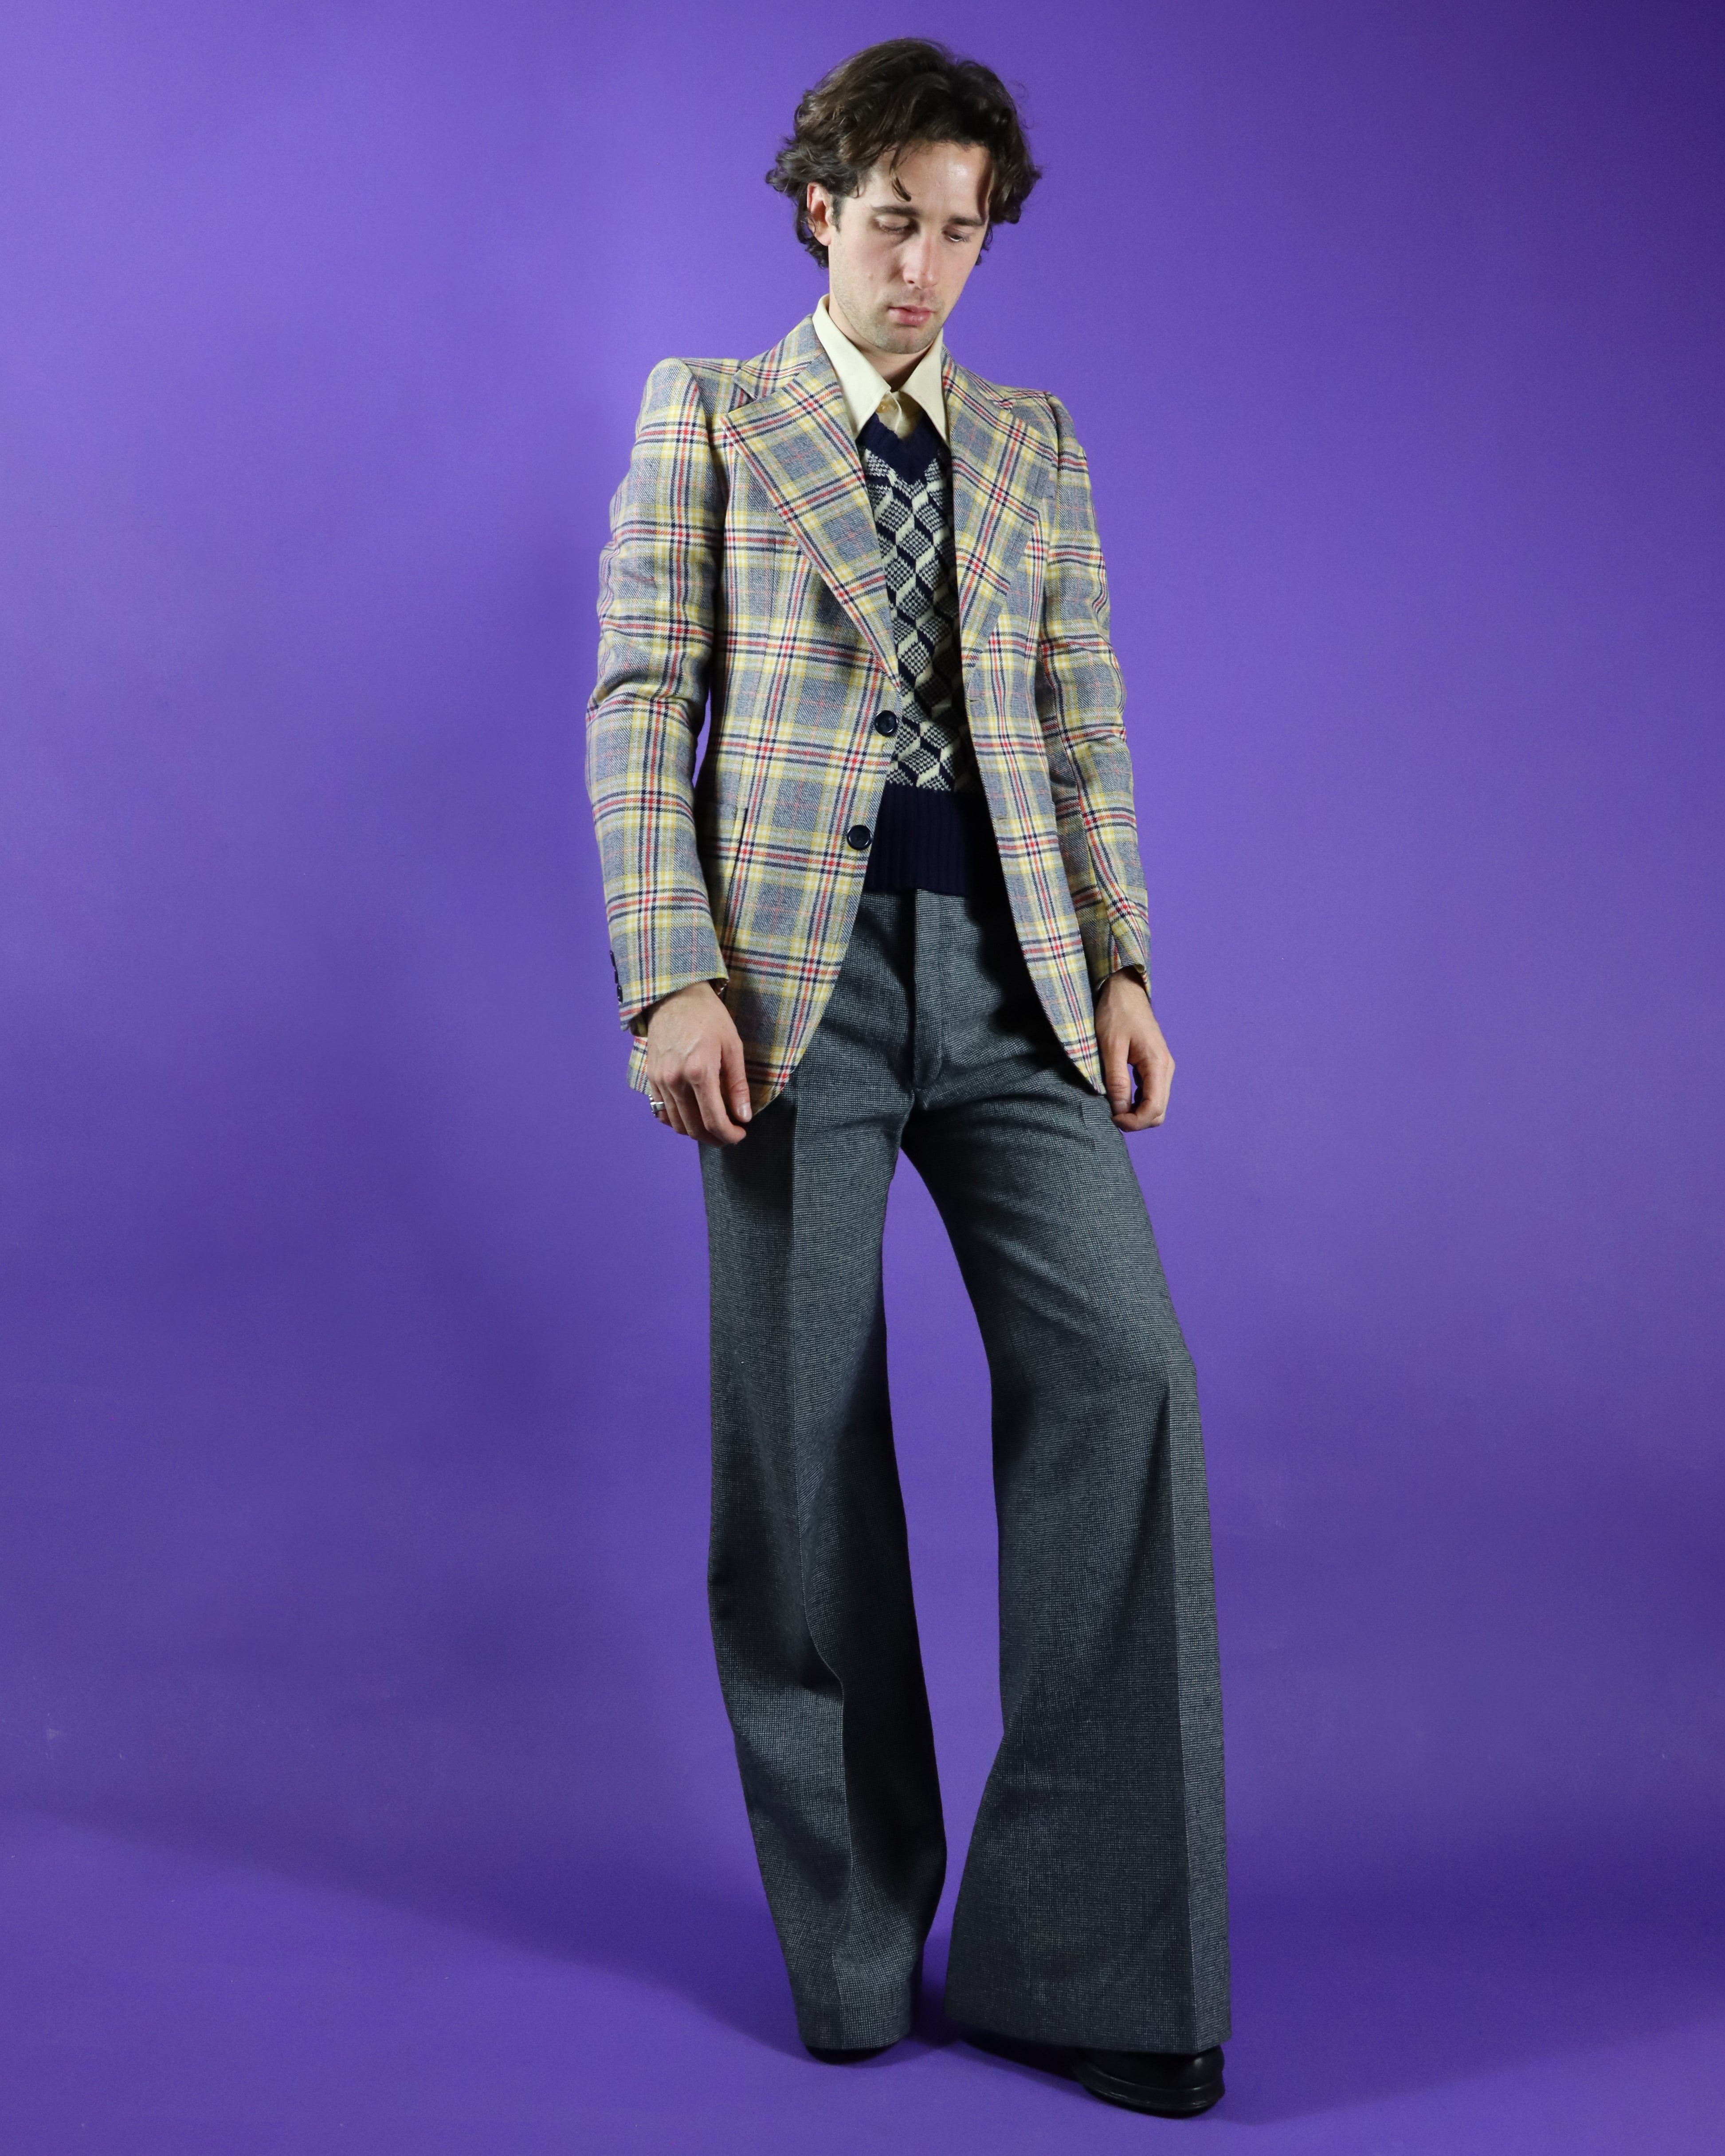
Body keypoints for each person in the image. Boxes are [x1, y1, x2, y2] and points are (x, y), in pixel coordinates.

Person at [586, 38, 1229, 2120]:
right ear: (818, 208)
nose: (924, 269)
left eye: (959, 234)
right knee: (802, 1444)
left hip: (1016, 983)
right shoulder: (712, 414)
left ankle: (1093, 1958)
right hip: (792, 994)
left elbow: (1080, 720)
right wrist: (672, 974)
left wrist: (1118, 962)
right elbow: (642, 701)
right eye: (892, 224)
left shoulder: (1034, 445)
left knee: (1124, 1379)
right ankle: (857, 1945)